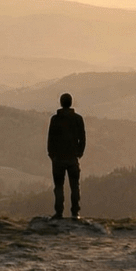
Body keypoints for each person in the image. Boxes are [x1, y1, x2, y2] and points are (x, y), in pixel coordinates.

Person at [46, 92, 86, 220]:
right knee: (75, 186)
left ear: (61, 103)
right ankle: (75, 213)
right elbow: (83, 138)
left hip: (58, 158)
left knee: (58, 186)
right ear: (71, 103)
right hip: (73, 157)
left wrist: (51, 154)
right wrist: (79, 153)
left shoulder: (55, 119)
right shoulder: (78, 119)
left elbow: (50, 139)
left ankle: (59, 213)